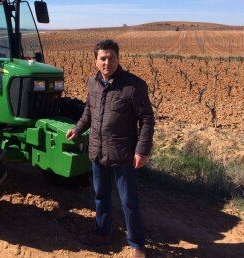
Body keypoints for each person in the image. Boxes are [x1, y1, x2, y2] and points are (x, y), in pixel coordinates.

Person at [66, 39, 154, 258]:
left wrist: (142, 150)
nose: (107, 62)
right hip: (97, 151)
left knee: (129, 202)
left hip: (123, 154)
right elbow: (89, 110)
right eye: (103, 58)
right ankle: (102, 233)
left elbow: (147, 120)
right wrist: (78, 129)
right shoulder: (92, 83)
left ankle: (136, 245)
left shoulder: (133, 86)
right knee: (100, 196)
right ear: (96, 60)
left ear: (118, 58)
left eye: (111, 57)